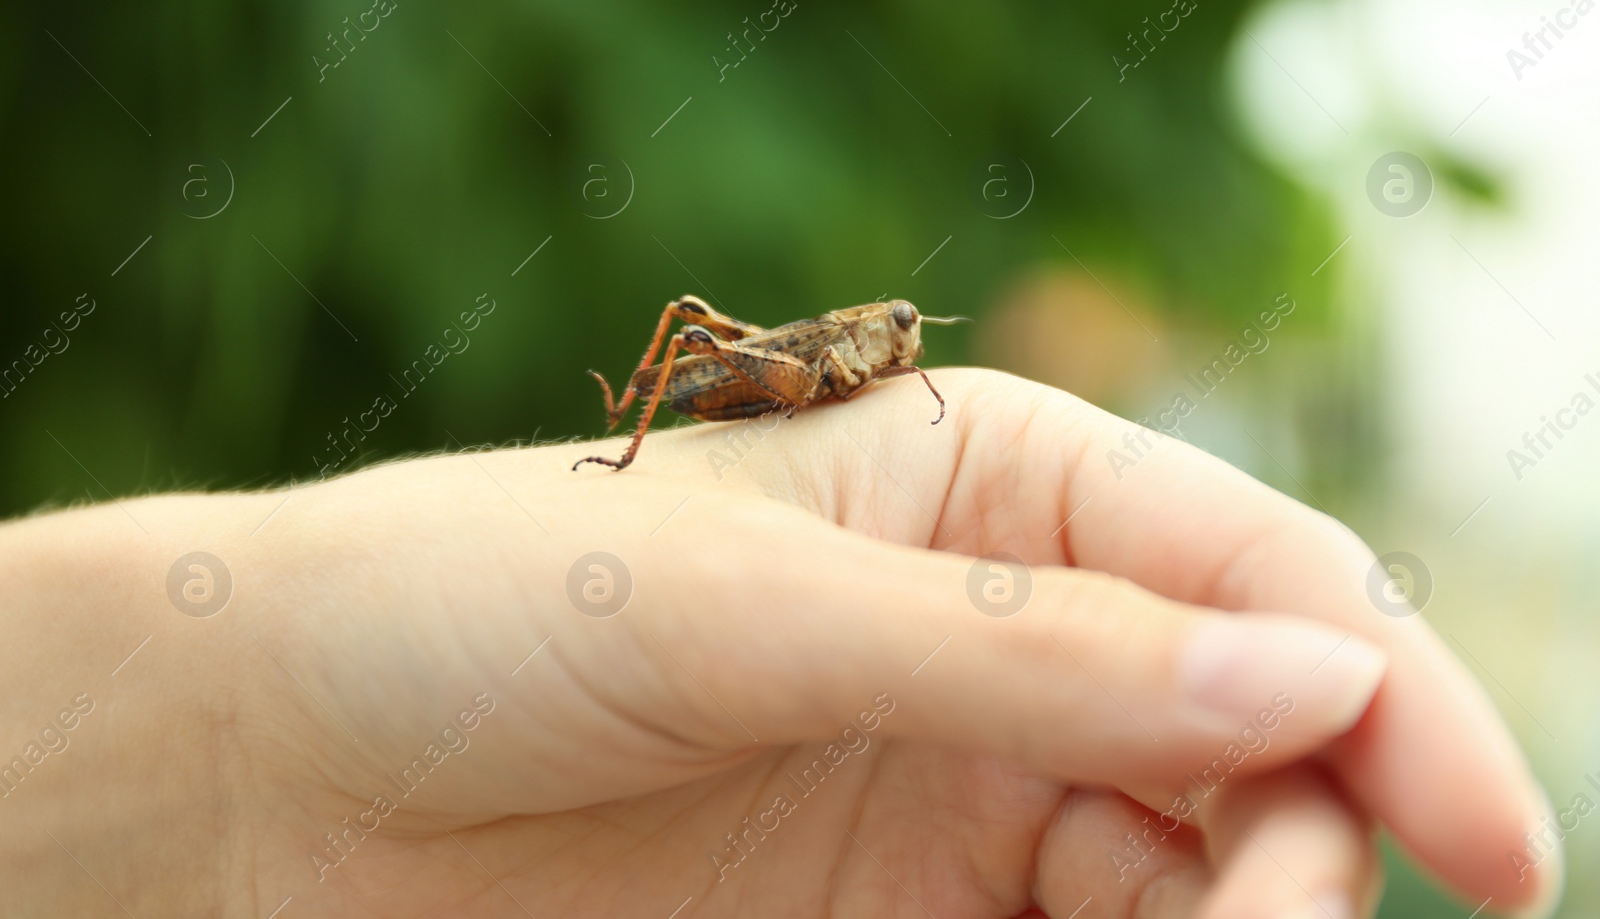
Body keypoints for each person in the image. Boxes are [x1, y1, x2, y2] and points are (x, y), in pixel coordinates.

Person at [0, 368, 1559, 917]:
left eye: (902, 340)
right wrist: (234, 760)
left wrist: (229, 781)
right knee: (702, 322)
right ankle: (632, 425)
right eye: (891, 336)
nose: (896, 353)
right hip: (723, 384)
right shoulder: (839, 380)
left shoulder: (909, 384)